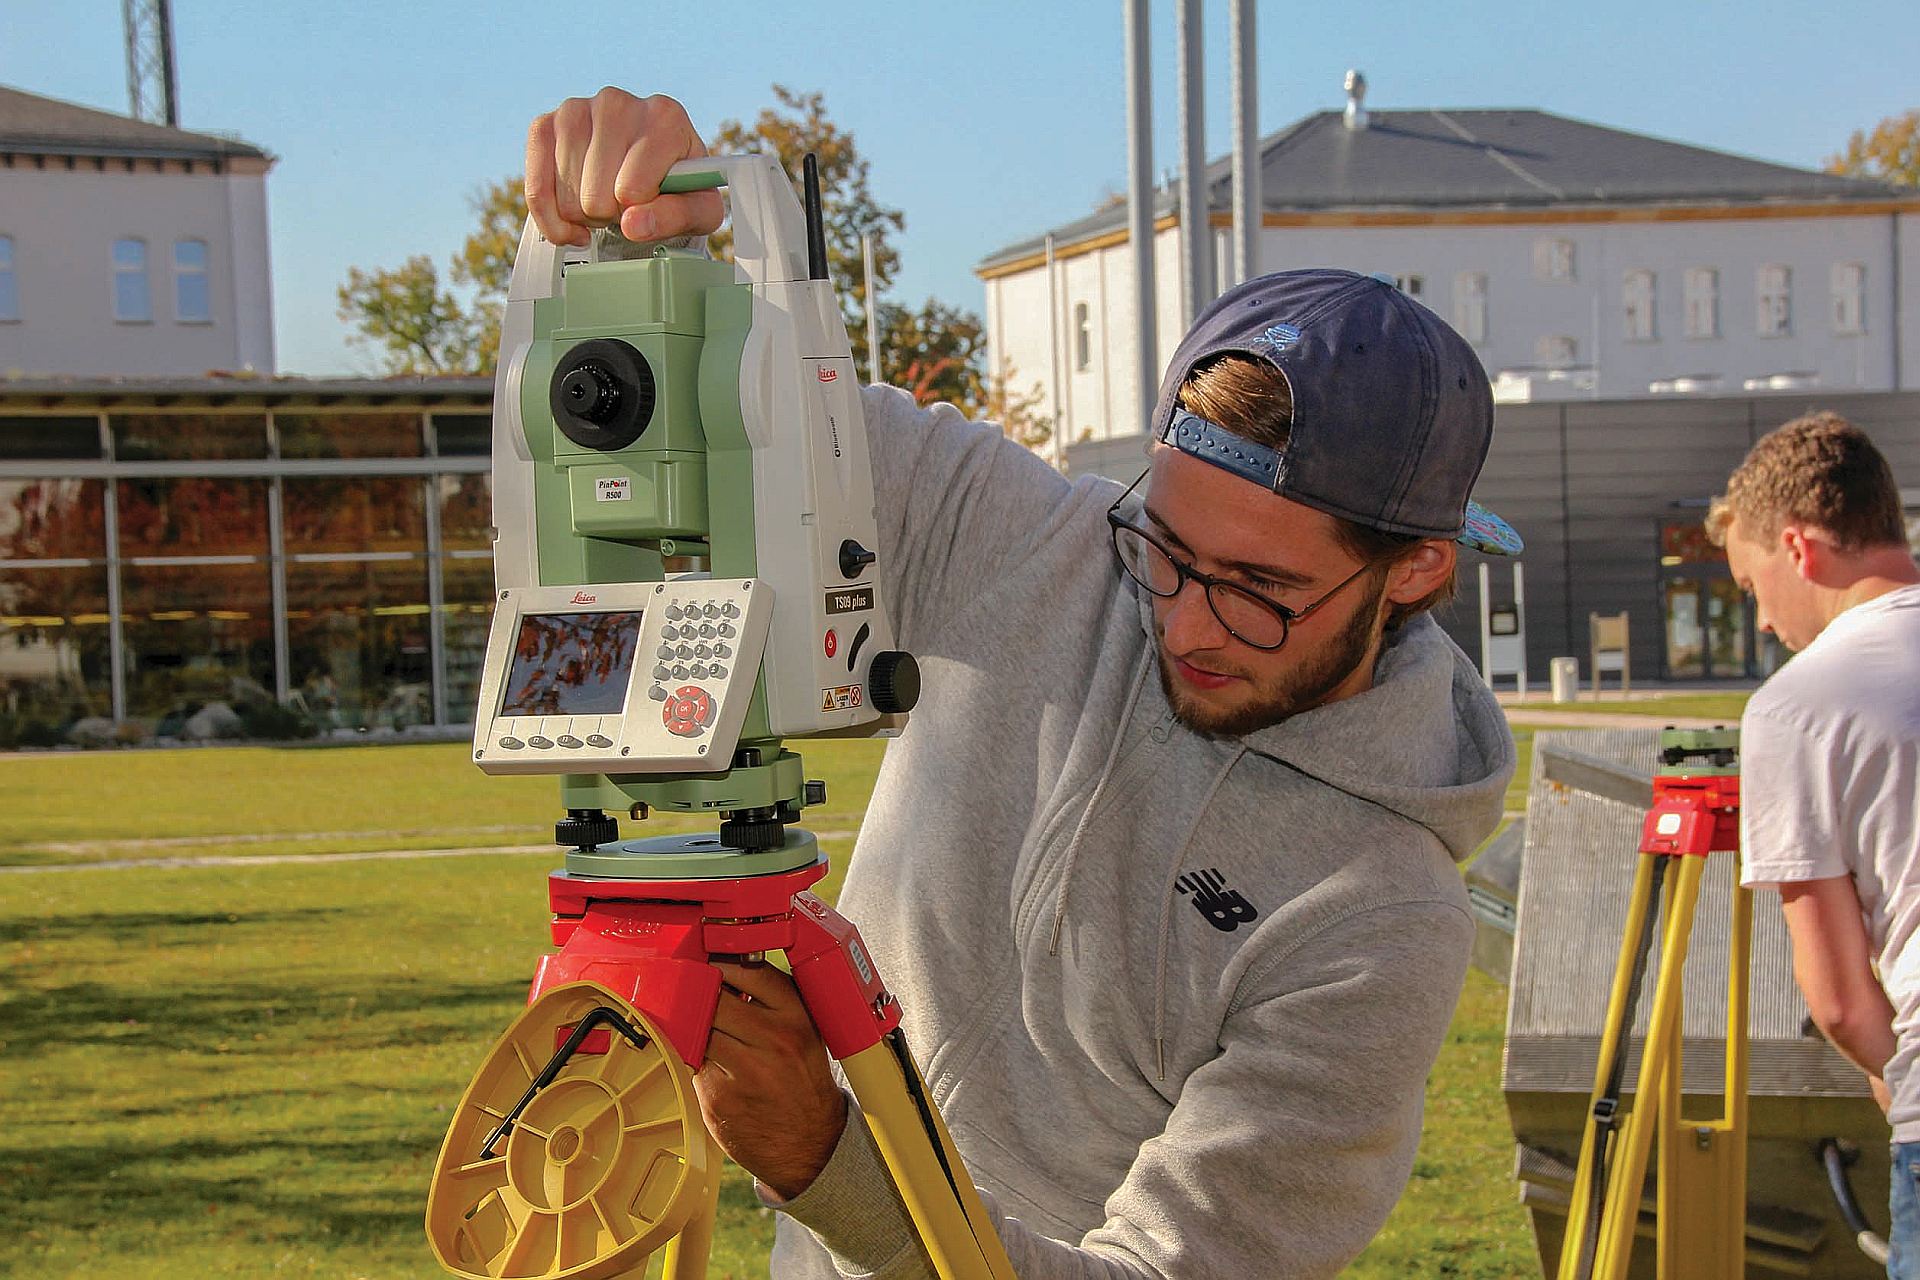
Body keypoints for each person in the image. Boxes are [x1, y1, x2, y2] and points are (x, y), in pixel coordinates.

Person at [525, 88, 1521, 1279]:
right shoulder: (1022, 534)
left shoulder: (1382, 919)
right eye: (1163, 546)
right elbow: (772, 425)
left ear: (1413, 566)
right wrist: (670, 243)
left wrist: (829, 1158)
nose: (1186, 620)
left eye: (1258, 587)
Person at [1706, 412, 1920, 1277]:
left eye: (1753, 588)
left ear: (1797, 549)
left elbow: (1837, 999)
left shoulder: (1799, 705)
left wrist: (1894, 1081)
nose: (1762, 623)